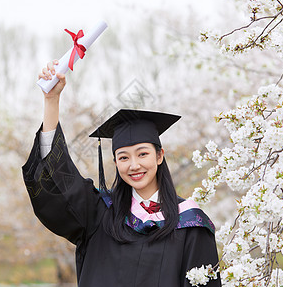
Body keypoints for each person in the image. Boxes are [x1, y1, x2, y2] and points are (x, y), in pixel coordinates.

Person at [22, 60, 221, 287]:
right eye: (124, 157)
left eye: (142, 154)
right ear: (116, 162)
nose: (134, 165)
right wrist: (51, 100)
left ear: (159, 156)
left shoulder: (190, 224)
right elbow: (58, 183)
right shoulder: (99, 214)